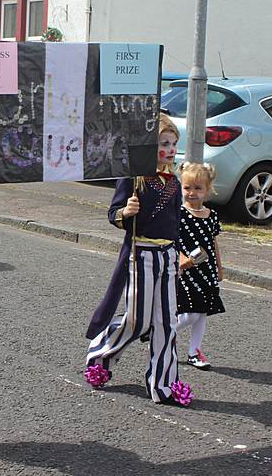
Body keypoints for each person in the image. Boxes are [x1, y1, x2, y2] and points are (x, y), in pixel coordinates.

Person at [84, 114, 191, 405]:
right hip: (140, 255)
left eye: (173, 144)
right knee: (138, 320)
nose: (170, 150)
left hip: (167, 256)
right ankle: (100, 353)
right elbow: (113, 214)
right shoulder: (133, 178)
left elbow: (175, 222)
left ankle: (164, 385)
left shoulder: (174, 180)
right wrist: (126, 213)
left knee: (167, 322)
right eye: (163, 143)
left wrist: (180, 252)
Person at [174, 162, 224, 370]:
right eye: (187, 188)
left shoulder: (211, 215)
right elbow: (171, 240)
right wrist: (180, 259)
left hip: (206, 270)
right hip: (186, 270)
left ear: (207, 190)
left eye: (198, 188)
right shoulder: (178, 213)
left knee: (202, 312)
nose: (192, 193)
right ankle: (162, 331)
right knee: (191, 312)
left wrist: (219, 267)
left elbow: (213, 243)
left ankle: (194, 351)